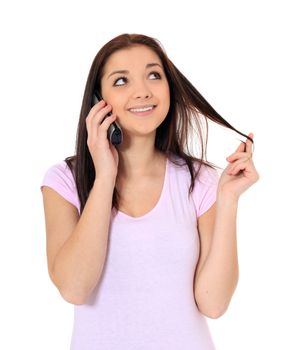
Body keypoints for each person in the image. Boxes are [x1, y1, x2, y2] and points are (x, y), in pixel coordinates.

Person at [40, 33, 259, 350]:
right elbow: (75, 288)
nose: (142, 91)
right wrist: (105, 176)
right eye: (120, 81)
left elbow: (213, 304)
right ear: (97, 101)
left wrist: (228, 200)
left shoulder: (200, 180)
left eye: (154, 75)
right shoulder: (64, 181)